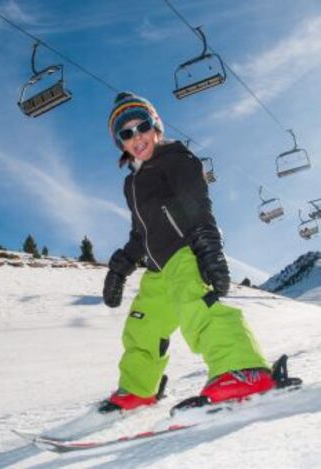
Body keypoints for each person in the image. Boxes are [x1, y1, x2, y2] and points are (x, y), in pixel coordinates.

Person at [100, 92, 275, 414]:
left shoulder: (177, 159)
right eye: (126, 133)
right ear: (120, 143)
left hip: (184, 253)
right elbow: (140, 233)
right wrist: (119, 268)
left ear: (156, 127)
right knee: (142, 328)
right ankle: (138, 390)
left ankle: (243, 368)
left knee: (198, 309)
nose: (136, 137)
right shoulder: (133, 184)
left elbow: (197, 204)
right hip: (157, 269)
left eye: (143, 126)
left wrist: (208, 247)